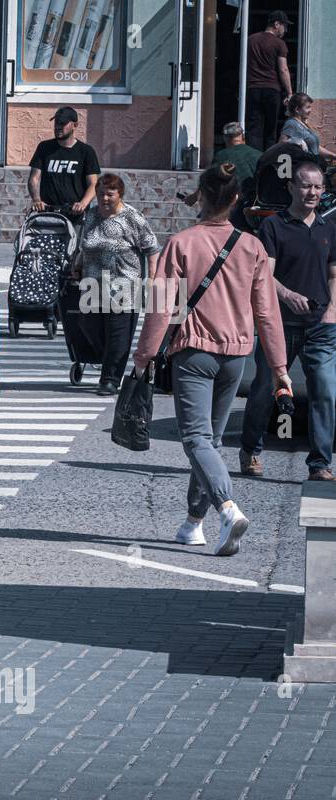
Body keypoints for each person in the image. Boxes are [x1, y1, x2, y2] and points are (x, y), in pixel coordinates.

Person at [132, 164, 291, 557]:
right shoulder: (252, 247)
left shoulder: (180, 243)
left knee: (197, 440)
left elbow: (159, 308)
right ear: (236, 200)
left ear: (200, 196)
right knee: (211, 442)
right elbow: (267, 313)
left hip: (195, 353)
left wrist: (144, 356)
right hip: (236, 356)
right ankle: (193, 523)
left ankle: (227, 507)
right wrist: (279, 369)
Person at [239, 158, 336, 482]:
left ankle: (320, 463)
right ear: (291, 187)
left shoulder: (328, 227)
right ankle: (251, 449)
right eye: (306, 185)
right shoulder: (274, 226)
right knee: (265, 387)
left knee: (324, 390)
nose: (312, 192)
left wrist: (333, 310)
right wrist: (287, 295)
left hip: (321, 325)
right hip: (279, 324)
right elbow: (264, 272)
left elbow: (334, 273)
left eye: (318, 187)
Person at [73, 173, 160, 395]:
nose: (104, 198)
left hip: (124, 284)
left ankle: (110, 379)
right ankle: (107, 360)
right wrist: (77, 265)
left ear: (120, 195)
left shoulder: (132, 218)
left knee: (118, 333)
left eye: (109, 194)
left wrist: (152, 277)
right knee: (88, 325)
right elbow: (85, 246)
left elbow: (151, 248)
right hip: (93, 283)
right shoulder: (91, 216)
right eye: (100, 194)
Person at [27, 107, 100, 221]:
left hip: (75, 214)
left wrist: (83, 204)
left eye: (63, 123)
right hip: (47, 213)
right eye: (56, 122)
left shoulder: (86, 151)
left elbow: (93, 183)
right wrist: (36, 200)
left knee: (75, 239)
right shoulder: (44, 147)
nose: (58, 127)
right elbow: (34, 179)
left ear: (75, 125)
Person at [245, 11, 293, 151]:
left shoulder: (250, 39)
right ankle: (268, 162)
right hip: (272, 89)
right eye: (284, 26)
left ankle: (254, 160)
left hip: (253, 88)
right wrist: (289, 92)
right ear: (276, 24)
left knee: (254, 128)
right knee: (270, 129)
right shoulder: (279, 43)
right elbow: (283, 69)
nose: (285, 30)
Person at [280, 93, 336, 161]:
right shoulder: (291, 123)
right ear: (297, 109)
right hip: (303, 167)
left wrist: (333, 155)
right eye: (308, 107)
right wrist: (295, 141)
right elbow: (281, 144)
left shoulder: (304, 124)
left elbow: (315, 148)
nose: (310, 110)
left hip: (313, 166)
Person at [211, 122, 262, 190]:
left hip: (234, 198)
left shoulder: (220, 156)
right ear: (243, 136)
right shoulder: (260, 155)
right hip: (257, 198)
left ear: (225, 138)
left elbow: (211, 183)